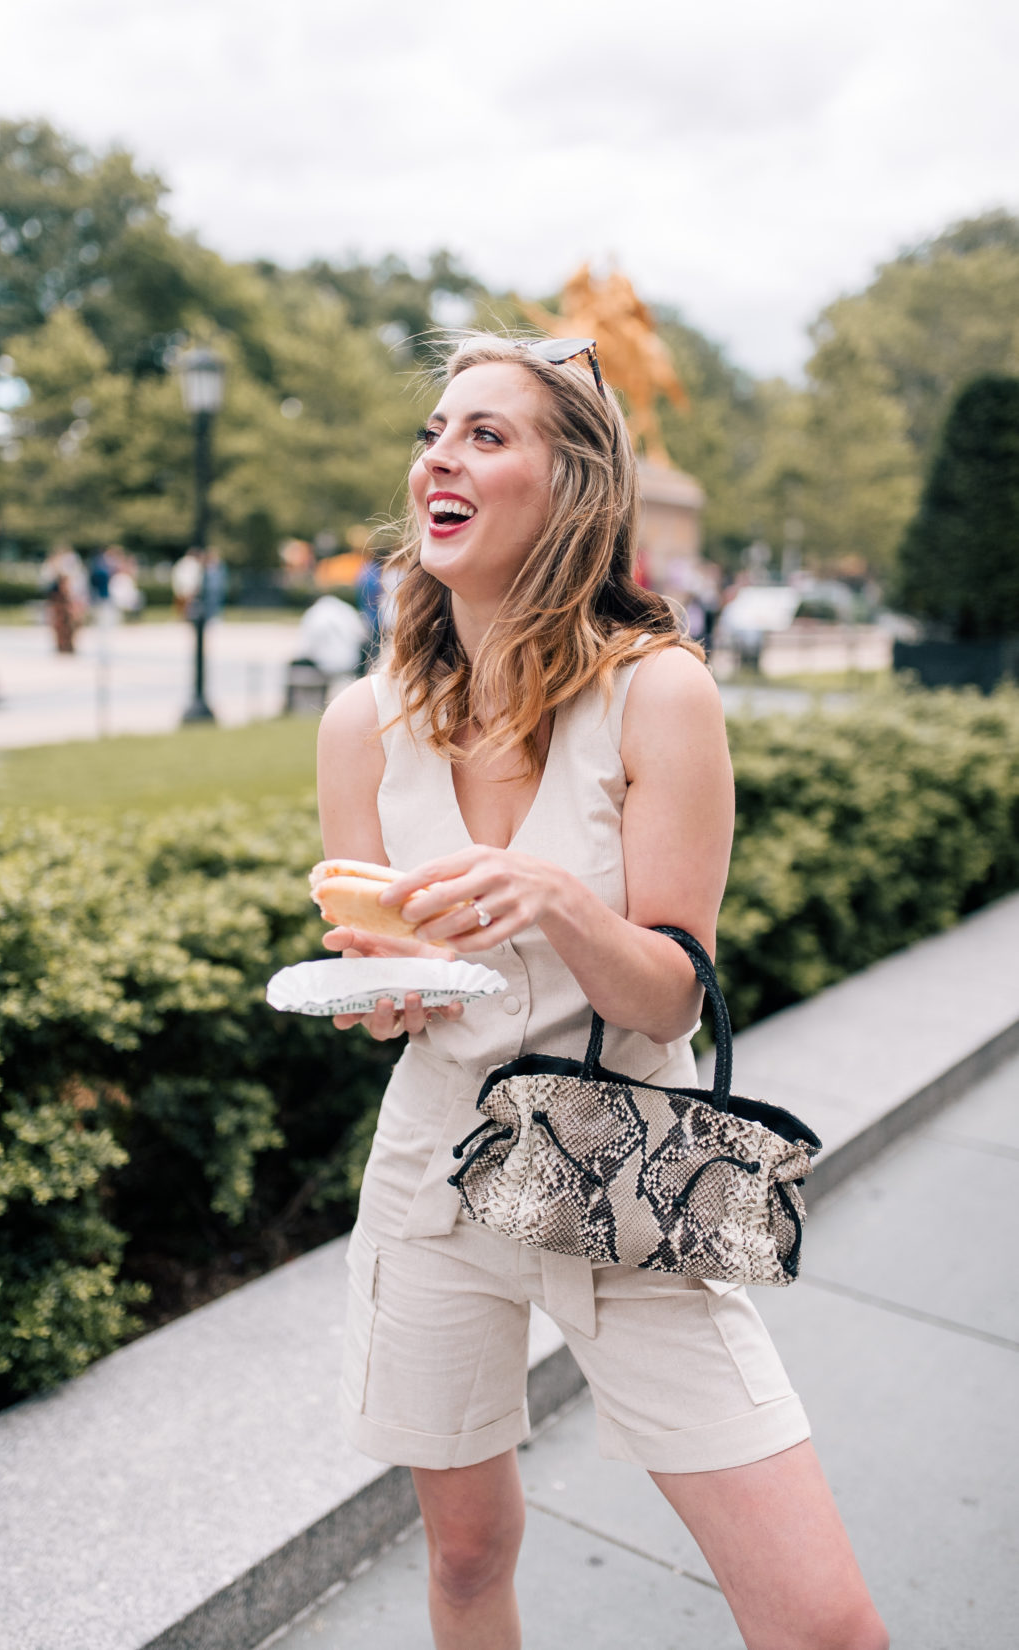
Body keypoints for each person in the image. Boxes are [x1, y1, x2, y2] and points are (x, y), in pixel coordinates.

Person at [315, 333, 888, 1650]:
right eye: (434, 431)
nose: (440, 456)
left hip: (624, 1163)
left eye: (486, 434)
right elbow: (389, 987)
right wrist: (380, 996)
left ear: (573, 486)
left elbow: (672, 994)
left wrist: (561, 901)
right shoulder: (365, 721)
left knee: (820, 1620)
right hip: (432, 1163)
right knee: (467, 1557)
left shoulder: (659, 694)